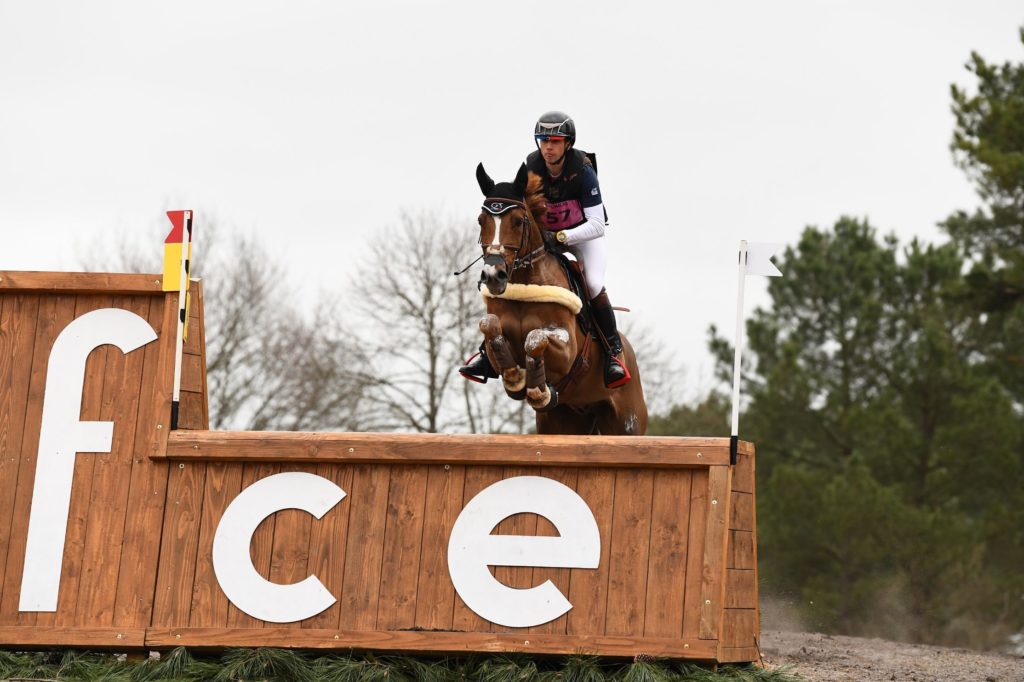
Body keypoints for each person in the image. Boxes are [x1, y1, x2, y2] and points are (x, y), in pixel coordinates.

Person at [460, 111, 631, 389]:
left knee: (593, 282)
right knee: (511, 274)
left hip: (582, 236)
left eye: (554, 141)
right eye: (543, 140)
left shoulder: (583, 171)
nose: (548, 147)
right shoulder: (532, 165)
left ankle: (613, 353)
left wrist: (562, 236)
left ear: (567, 144)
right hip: (546, 238)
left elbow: (598, 224)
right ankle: (486, 353)